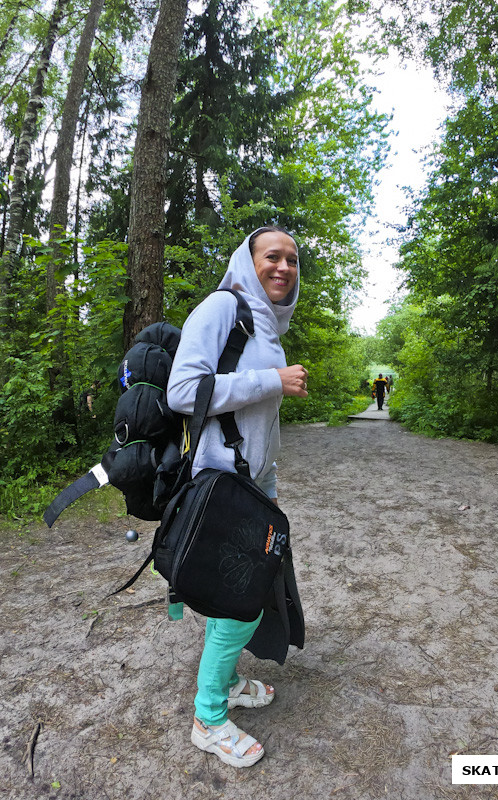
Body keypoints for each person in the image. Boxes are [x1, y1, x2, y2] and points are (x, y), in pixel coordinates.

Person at [167, 226, 307, 768]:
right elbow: (184, 392)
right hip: (224, 485)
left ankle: (222, 685)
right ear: (248, 263)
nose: (284, 267)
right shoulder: (221, 308)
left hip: (255, 483)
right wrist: (271, 380)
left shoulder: (269, 324)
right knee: (238, 598)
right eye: (273, 256)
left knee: (249, 590)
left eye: (293, 260)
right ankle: (208, 717)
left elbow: (253, 410)